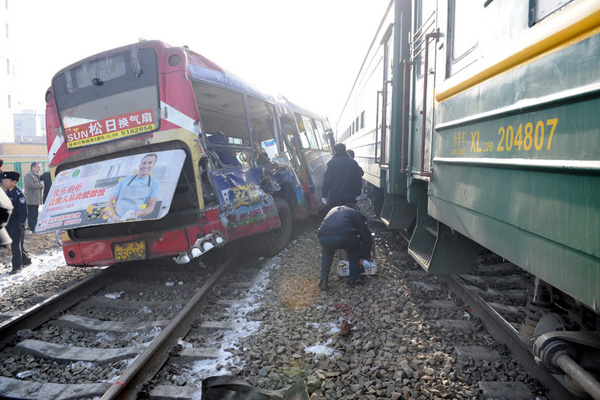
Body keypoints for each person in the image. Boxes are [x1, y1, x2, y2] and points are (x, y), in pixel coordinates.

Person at [317, 203, 372, 290]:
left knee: (327, 253)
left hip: (323, 236)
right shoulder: (355, 213)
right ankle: (353, 279)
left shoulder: (334, 209)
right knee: (354, 247)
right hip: (344, 236)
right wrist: (365, 256)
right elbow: (366, 237)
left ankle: (323, 281)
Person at [105, 154, 161, 222]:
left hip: (133, 223)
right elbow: (109, 204)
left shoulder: (154, 183)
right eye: (144, 163)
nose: (146, 166)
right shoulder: (124, 180)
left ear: (154, 165)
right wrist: (113, 217)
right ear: (140, 165)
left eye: (150, 163)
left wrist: (139, 214)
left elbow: (150, 208)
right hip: (114, 222)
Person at [3, 171, 31, 274]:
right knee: (17, 244)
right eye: (4, 180)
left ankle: (17, 266)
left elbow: (23, 210)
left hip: (16, 223)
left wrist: (22, 223)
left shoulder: (19, 194)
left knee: (15, 245)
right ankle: (26, 260)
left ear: (14, 182)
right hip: (8, 224)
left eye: (8, 180)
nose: (5, 182)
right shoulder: (7, 193)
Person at [321, 143, 363, 209]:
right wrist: (358, 194)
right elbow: (358, 179)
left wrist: (324, 195)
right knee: (349, 214)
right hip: (351, 196)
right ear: (345, 150)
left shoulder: (331, 163)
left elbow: (327, 180)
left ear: (335, 151)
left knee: (336, 214)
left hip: (336, 196)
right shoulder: (353, 162)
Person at [24, 162, 44, 233]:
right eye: (38, 167)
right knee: (31, 214)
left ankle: (35, 227)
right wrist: (40, 185)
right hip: (31, 198)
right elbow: (30, 184)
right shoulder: (28, 175)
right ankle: (31, 227)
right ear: (33, 167)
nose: (39, 168)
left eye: (39, 167)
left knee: (35, 214)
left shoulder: (36, 175)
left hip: (36, 198)